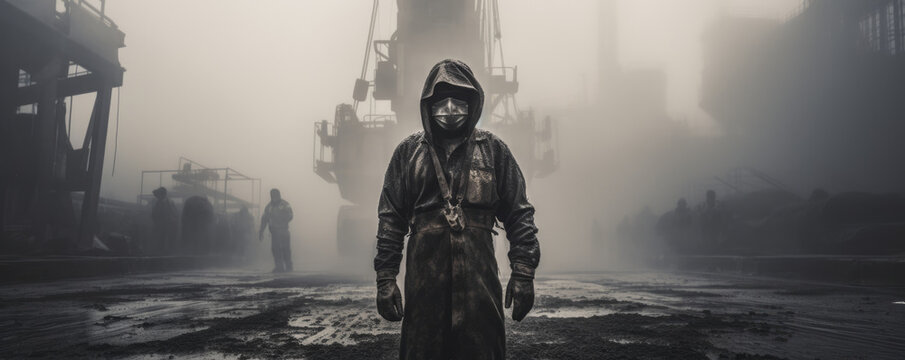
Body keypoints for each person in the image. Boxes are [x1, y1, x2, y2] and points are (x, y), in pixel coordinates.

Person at [373, 59, 541, 359]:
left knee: (482, 349)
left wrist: (524, 273)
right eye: (441, 100)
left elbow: (519, 214)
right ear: (428, 104)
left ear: (472, 101)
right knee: (423, 350)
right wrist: (386, 280)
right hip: (425, 284)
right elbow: (390, 221)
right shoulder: (408, 153)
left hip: (480, 283)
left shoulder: (493, 150)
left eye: (458, 99)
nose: (450, 108)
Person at [259, 188, 294, 273]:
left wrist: (282, 220)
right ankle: (279, 267)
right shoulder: (269, 207)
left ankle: (288, 267)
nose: (274, 196)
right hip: (274, 232)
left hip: (284, 230)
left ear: (279, 195)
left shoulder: (285, 204)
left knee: (285, 249)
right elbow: (264, 219)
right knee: (275, 249)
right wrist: (261, 231)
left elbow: (290, 215)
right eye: (272, 195)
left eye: (275, 194)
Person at [150, 187, 178, 254]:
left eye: (158, 194)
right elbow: (154, 213)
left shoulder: (167, 202)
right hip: (163, 225)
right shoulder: (161, 202)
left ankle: (165, 253)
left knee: (165, 240)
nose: (156, 196)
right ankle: (163, 252)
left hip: (167, 225)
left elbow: (173, 214)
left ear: (162, 194)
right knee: (162, 240)